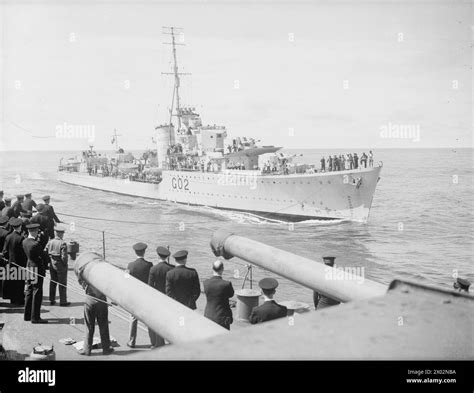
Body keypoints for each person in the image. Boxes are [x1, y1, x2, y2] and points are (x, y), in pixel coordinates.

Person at [77, 268, 114, 356]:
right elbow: (110, 287)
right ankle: (106, 349)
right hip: (101, 302)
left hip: (89, 301)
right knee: (103, 326)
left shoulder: (87, 276)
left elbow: (80, 282)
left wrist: (79, 273)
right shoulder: (104, 277)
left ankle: (87, 349)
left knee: (89, 326)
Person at [126, 242, 153, 348]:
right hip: (145, 295)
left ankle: (132, 341)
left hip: (135, 295)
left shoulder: (130, 265)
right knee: (149, 319)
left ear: (135, 252)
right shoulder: (149, 265)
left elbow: (126, 280)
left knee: (133, 318)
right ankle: (153, 341)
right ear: (144, 252)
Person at [147, 246, 173, 348]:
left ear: (158, 255)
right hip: (168, 298)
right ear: (167, 257)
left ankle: (158, 343)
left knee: (157, 321)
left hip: (157, 299)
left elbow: (149, 286)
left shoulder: (153, 269)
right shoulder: (172, 268)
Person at [23, 223, 48, 323]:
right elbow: (43, 256)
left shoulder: (25, 241)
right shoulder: (36, 244)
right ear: (34, 232)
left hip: (29, 267)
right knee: (37, 292)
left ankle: (27, 315)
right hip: (37, 269)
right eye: (37, 232)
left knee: (29, 291)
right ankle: (35, 317)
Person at [1, 218, 27, 305]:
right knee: (20, 282)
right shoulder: (21, 238)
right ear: (20, 227)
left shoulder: (8, 237)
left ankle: (13, 299)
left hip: (10, 263)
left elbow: (5, 251)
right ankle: (19, 300)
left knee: (12, 282)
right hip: (19, 264)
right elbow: (24, 253)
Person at [203, 260, 234, 330]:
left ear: (212, 268)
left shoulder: (206, 283)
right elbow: (231, 294)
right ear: (222, 269)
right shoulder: (227, 284)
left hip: (208, 314)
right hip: (222, 317)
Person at [46, 226, 70, 306]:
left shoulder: (50, 242)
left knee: (53, 282)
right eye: (62, 233)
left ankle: (52, 299)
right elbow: (64, 256)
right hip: (60, 264)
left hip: (52, 263)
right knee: (62, 283)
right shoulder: (62, 243)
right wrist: (65, 264)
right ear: (60, 234)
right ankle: (63, 301)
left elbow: (45, 252)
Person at [0, 216, 10, 298]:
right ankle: (3, 293)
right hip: (2, 257)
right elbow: (6, 248)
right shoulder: (6, 233)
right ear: (6, 224)